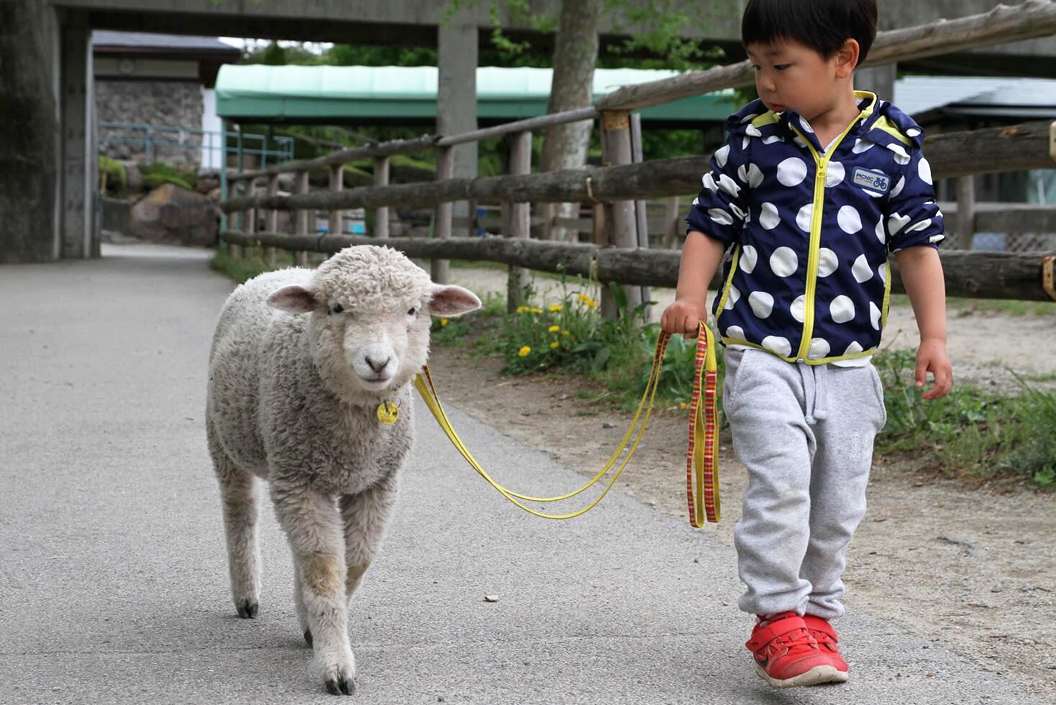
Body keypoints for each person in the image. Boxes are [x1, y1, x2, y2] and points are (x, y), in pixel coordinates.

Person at [660, 0, 953, 689]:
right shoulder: (753, 140)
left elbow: (917, 249)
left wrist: (934, 335)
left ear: (844, 59)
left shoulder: (895, 148)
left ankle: (817, 614)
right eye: (757, 65)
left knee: (838, 500)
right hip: (760, 352)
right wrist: (689, 297)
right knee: (781, 480)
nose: (764, 81)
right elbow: (710, 225)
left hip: (850, 366)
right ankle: (773, 617)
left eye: (780, 66)